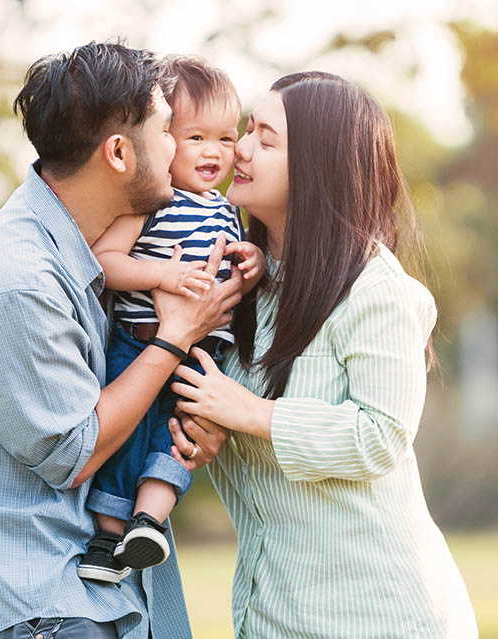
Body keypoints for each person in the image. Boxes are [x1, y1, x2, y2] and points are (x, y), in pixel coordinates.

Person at [0, 42, 241, 639]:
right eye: (167, 129)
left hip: (92, 597)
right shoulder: (18, 278)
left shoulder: (91, 255)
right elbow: (76, 451)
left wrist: (192, 417)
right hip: (44, 609)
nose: (179, 146)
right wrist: (174, 338)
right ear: (119, 153)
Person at [169, 72, 479, 638]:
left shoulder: (375, 289)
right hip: (273, 617)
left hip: (382, 617)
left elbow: (380, 435)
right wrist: (211, 429)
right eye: (248, 130)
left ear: (316, 168)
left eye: (266, 139)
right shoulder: (245, 283)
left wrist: (247, 413)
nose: (239, 147)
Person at [78, 55, 265, 583]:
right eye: (196, 137)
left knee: (177, 437)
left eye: (227, 140)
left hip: (204, 353)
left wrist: (250, 262)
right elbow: (106, 265)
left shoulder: (227, 210)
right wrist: (161, 275)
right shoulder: (150, 202)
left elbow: (231, 267)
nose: (215, 153)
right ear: (162, 138)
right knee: (125, 438)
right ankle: (106, 541)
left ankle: (147, 524)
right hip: (139, 346)